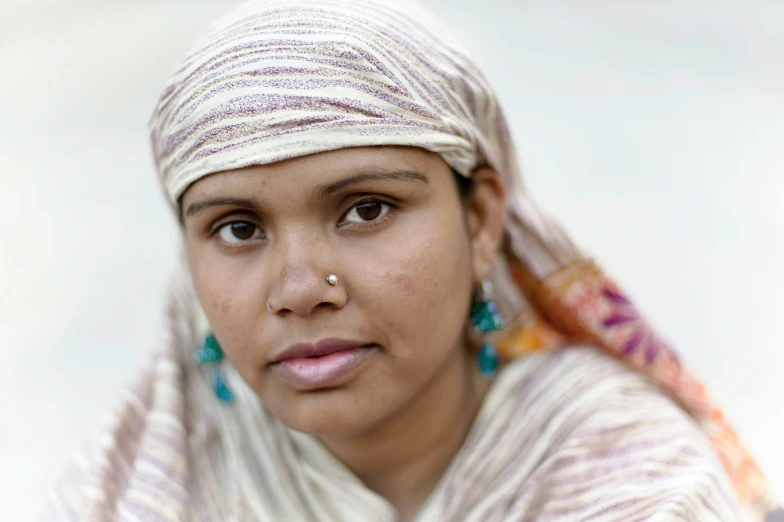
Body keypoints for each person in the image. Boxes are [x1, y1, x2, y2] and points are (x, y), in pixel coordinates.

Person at [43, 0, 780, 520]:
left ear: (482, 216)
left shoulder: (630, 484)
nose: (299, 290)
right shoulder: (131, 484)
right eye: (238, 229)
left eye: (366, 209)